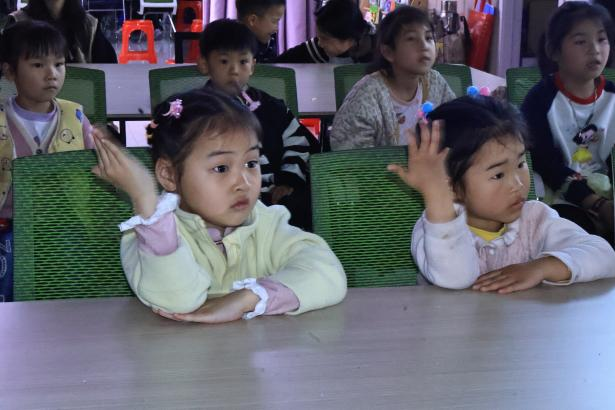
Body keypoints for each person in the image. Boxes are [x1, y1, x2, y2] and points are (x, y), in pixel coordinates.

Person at [92, 89, 346, 322]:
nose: (243, 182)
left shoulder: (265, 221)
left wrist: (247, 299)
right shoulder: (148, 238)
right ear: (169, 175)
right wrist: (145, 200)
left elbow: (328, 271)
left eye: (251, 163)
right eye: (221, 168)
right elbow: (177, 300)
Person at [388, 95, 615, 292]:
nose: (518, 183)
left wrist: (542, 267)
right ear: (452, 186)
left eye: (520, 164)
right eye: (498, 175)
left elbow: (605, 255)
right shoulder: (434, 229)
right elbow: (456, 279)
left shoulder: (535, 218)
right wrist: (438, 197)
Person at [0, 20, 95, 301]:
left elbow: (99, 167)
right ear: (10, 71)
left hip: (64, 222)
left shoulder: (76, 118)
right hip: (10, 224)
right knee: (10, 277)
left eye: (59, 64)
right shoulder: (2, 120)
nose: (52, 74)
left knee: (73, 279)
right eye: (38, 65)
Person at [197, 18, 319, 231]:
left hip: (275, 200)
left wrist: (288, 181)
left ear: (253, 65)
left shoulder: (273, 107)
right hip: (221, 204)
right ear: (204, 65)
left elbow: (298, 142)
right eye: (224, 62)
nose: (234, 70)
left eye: (243, 62)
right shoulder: (195, 114)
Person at [523, 1, 614, 241]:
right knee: (577, 237)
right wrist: (595, 203)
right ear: (554, 51)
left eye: (601, 39)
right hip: (559, 197)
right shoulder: (540, 100)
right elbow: (544, 163)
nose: (595, 50)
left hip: (608, 193)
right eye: (581, 41)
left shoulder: (612, 97)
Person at [330, 6, 455, 150]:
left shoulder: (436, 82)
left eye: (428, 38)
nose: (424, 46)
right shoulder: (367, 97)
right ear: (388, 52)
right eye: (411, 39)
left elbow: (456, 123)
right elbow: (350, 155)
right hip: (380, 165)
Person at [7, 0, 117, 63]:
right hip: (32, 97)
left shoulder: (88, 25)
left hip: (79, 95)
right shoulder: (18, 22)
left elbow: (108, 69)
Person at [275, 0, 375, 64]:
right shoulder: (318, 49)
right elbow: (277, 63)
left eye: (325, 39)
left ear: (350, 40)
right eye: (319, 37)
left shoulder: (378, 51)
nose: (320, 43)